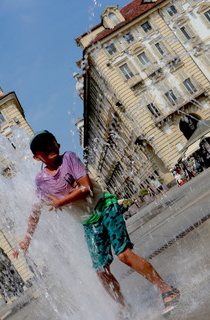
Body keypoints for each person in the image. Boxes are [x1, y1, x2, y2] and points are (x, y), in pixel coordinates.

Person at [13, 130, 180, 315]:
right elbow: (36, 211)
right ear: (37, 158)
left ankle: (167, 290)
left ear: (57, 144)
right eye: (42, 148)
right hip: (89, 223)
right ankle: (126, 310)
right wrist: (26, 239)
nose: (48, 148)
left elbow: (86, 187)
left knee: (124, 255)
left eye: (50, 143)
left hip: (106, 207)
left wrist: (61, 201)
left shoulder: (69, 158)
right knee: (101, 272)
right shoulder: (41, 181)